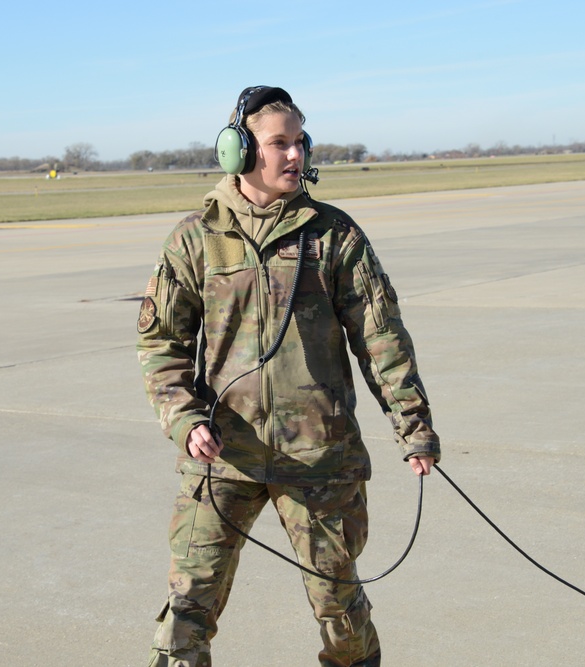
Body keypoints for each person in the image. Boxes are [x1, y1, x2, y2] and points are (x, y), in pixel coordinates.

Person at [136, 85, 440, 667]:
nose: (296, 154)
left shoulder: (333, 235)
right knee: (186, 610)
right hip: (225, 454)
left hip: (319, 457)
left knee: (340, 610)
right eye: (280, 143)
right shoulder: (196, 239)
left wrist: (414, 427)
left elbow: (381, 339)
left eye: (301, 141)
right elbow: (161, 343)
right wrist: (184, 417)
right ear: (240, 151)